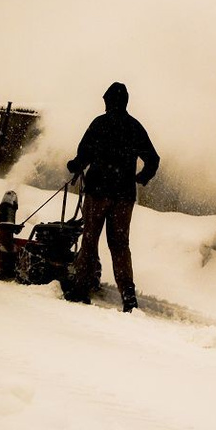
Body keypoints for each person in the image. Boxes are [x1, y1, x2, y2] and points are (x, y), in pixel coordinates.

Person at [66, 82, 159, 312]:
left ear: (108, 101)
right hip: (124, 197)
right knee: (120, 245)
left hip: (98, 192)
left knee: (89, 239)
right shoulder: (135, 127)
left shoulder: (100, 124)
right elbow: (153, 159)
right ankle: (128, 296)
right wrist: (141, 177)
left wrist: (75, 166)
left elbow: (84, 153)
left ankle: (81, 288)